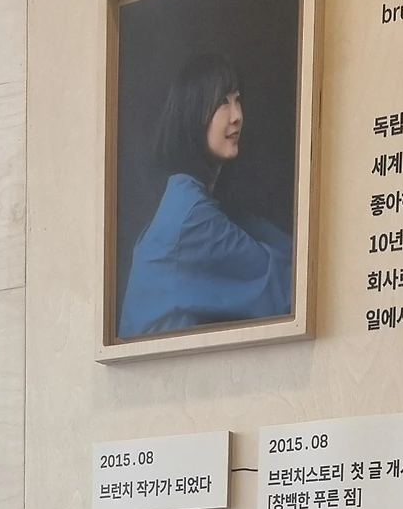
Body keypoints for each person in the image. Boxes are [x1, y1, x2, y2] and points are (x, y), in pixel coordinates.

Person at [118, 52, 293, 338]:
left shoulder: (197, 203)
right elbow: (286, 286)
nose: (237, 116)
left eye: (238, 99)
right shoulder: (191, 218)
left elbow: (290, 251)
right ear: (194, 114)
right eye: (223, 101)